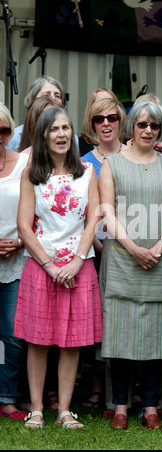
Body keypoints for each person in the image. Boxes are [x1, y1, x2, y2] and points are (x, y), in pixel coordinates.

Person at [13, 107, 102, 429]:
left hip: (80, 265)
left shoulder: (88, 172)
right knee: (38, 340)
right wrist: (50, 266)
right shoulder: (31, 173)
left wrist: (78, 259)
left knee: (73, 340)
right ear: (43, 136)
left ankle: (65, 410)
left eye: (66, 128)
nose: (62, 134)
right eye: (54, 129)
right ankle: (36, 408)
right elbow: (24, 227)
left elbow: (94, 217)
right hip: (41, 265)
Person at [98, 101, 162, 430]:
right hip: (122, 260)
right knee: (120, 335)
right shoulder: (112, 164)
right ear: (131, 127)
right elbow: (107, 212)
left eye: (154, 126)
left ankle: (150, 406)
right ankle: (120, 406)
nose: (148, 130)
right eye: (142, 124)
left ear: (160, 131)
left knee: (158, 336)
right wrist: (135, 248)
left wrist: (160, 245)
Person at [80, 97, 126, 410]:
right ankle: (97, 387)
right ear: (92, 124)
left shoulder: (134, 155)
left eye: (111, 117)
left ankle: (130, 386)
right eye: (99, 119)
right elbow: (86, 213)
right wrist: (99, 246)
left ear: (121, 120)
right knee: (97, 321)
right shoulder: (84, 162)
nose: (106, 123)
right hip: (95, 249)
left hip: (130, 249)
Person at [0, 104, 29, 421]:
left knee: (12, 334)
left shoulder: (24, 164)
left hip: (17, 260)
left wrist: (21, 241)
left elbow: (37, 213)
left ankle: (7, 398)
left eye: (3, 130)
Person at [6, 76, 66, 151]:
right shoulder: (13, 137)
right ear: (32, 100)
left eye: (57, 96)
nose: (52, 99)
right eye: (46, 95)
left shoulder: (70, 138)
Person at [79, 86, 118, 156]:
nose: (105, 107)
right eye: (100, 103)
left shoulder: (128, 145)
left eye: (110, 102)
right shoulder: (80, 146)